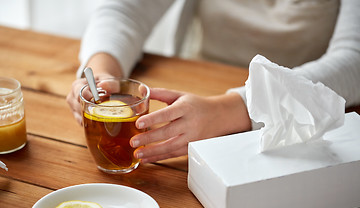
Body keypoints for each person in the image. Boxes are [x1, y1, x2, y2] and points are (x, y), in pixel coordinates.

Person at [67, 0, 360, 163]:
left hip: (305, 117)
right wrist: (100, 70)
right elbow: (127, 9)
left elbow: (354, 60)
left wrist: (232, 110)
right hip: (199, 86)